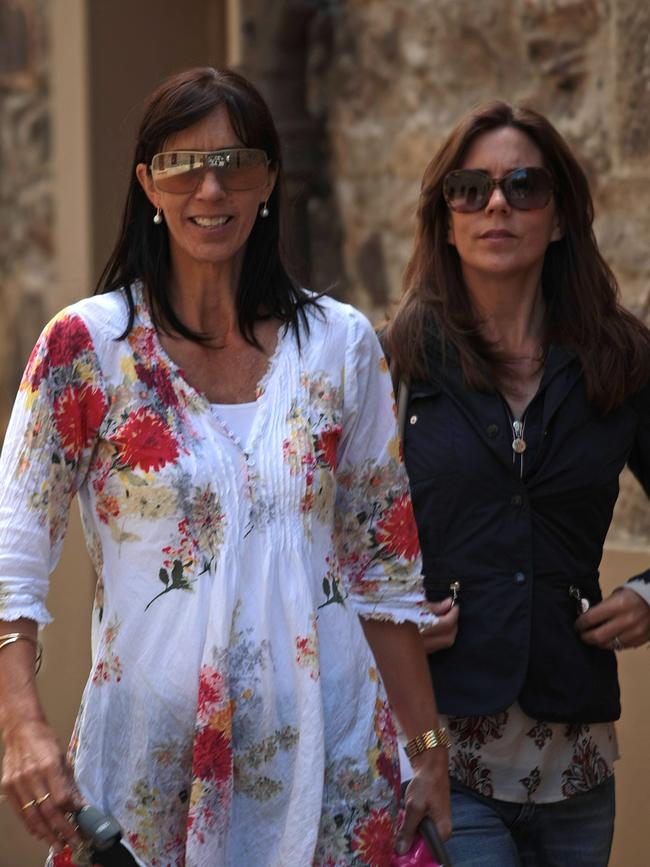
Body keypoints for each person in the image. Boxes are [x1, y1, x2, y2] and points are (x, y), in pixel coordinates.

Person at [0, 67, 451, 867]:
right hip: (151, 772)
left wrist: (425, 745)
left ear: (269, 179)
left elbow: (382, 569)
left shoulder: (341, 346)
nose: (212, 186)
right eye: (183, 164)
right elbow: (11, 553)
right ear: (148, 183)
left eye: (237, 162)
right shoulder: (88, 349)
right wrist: (20, 724)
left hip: (335, 762)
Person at [384, 100, 650, 867]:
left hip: (578, 759)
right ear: (446, 218)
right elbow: (330, 537)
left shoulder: (620, 361)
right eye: (470, 189)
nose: (496, 203)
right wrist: (396, 613)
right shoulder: (394, 365)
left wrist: (647, 597)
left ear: (560, 216)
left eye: (524, 186)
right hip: (442, 748)